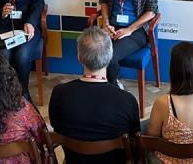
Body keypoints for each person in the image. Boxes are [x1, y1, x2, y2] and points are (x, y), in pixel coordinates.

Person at [49, 27, 140, 163]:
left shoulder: (59, 93)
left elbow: (57, 127)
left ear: (79, 57)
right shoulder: (127, 100)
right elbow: (134, 141)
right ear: (110, 57)